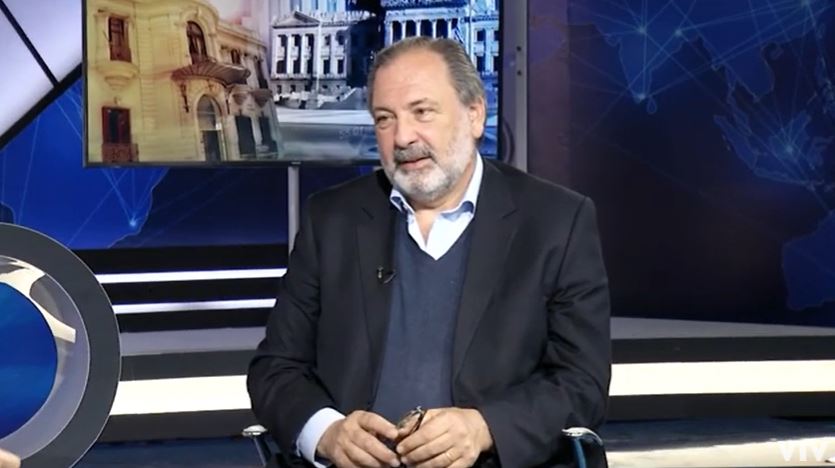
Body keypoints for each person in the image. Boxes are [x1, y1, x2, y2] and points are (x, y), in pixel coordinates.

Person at [248, 37, 611, 467]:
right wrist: (326, 432)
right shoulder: (332, 219)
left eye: (422, 112)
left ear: (475, 114)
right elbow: (275, 369)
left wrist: (484, 428)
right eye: (385, 119)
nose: (403, 137)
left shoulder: (556, 221)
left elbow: (581, 383)